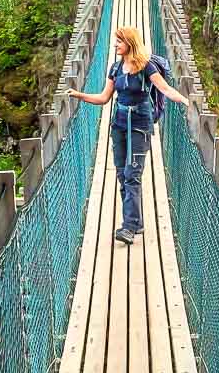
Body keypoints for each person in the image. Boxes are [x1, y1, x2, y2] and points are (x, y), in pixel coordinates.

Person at [67, 25, 190, 244]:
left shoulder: (146, 67)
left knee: (133, 174)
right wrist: (79, 95)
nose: (115, 45)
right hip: (119, 125)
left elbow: (164, 88)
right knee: (123, 175)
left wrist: (185, 101)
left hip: (140, 126)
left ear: (129, 44)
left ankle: (129, 227)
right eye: (115, 41)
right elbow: (104, 98)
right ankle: (137, 222)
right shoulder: (115, 68)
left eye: (119, 42)